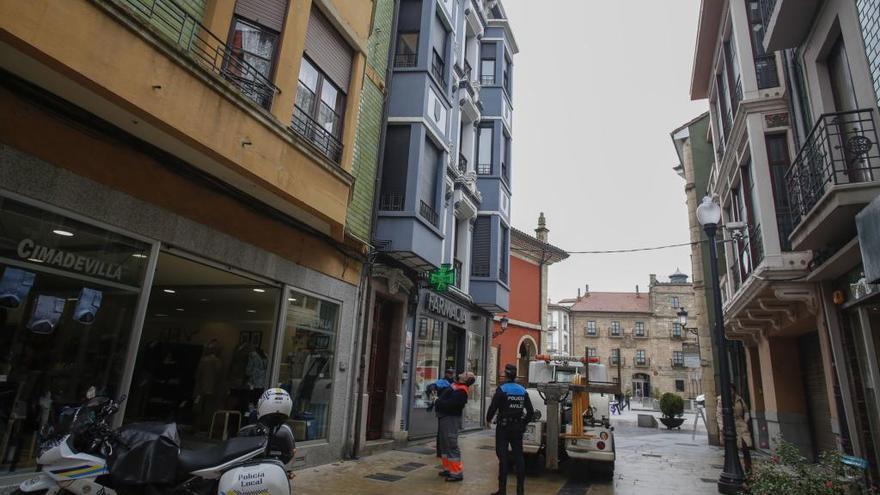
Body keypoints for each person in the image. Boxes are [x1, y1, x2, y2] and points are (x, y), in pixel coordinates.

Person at [486, 364, 534, 495]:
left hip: (503, 427)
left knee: (503, 457)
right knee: (519, 457)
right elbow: (530, 412)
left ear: (506, 375)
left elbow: (493, 407)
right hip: (517, 427)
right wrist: (523, 424)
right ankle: (520, 491)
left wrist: (488, 419)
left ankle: (502, 491)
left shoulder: (502, 389)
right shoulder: (522, 390)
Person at [434, 371, 475, 482]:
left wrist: (438, 402)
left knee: (451, 444)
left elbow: (452, 405)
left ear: (466, 379)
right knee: (444, 444)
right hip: (445, 417)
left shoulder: (462, 390)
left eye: (465, 373)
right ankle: (448, 469)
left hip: (450, 418)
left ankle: (456, 473)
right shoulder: (456, 385)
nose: (462, 372)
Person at [716, 384, 753, 472]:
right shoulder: (721, 399)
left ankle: (748, 469)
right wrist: (722, 427)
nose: (730, 392)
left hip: (741, 425)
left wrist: (745, 421)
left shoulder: (739, 399)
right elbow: (719, 414)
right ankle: (734, 470)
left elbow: (746, 411)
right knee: (732, 449)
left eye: (731, 390)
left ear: (734, 390)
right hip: (729, 426)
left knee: (745, 446)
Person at [427, 368, 455, 458]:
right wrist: (433, 397)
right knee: (441, 432)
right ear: (446, 373)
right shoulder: (442, 382)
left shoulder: (453, 383)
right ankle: (440, 452)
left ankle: (445, 450)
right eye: (449, 373)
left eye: (452, 373)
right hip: (442, 410)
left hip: (450, 410)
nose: (450, 374)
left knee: (448, 432)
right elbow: (432, 387)